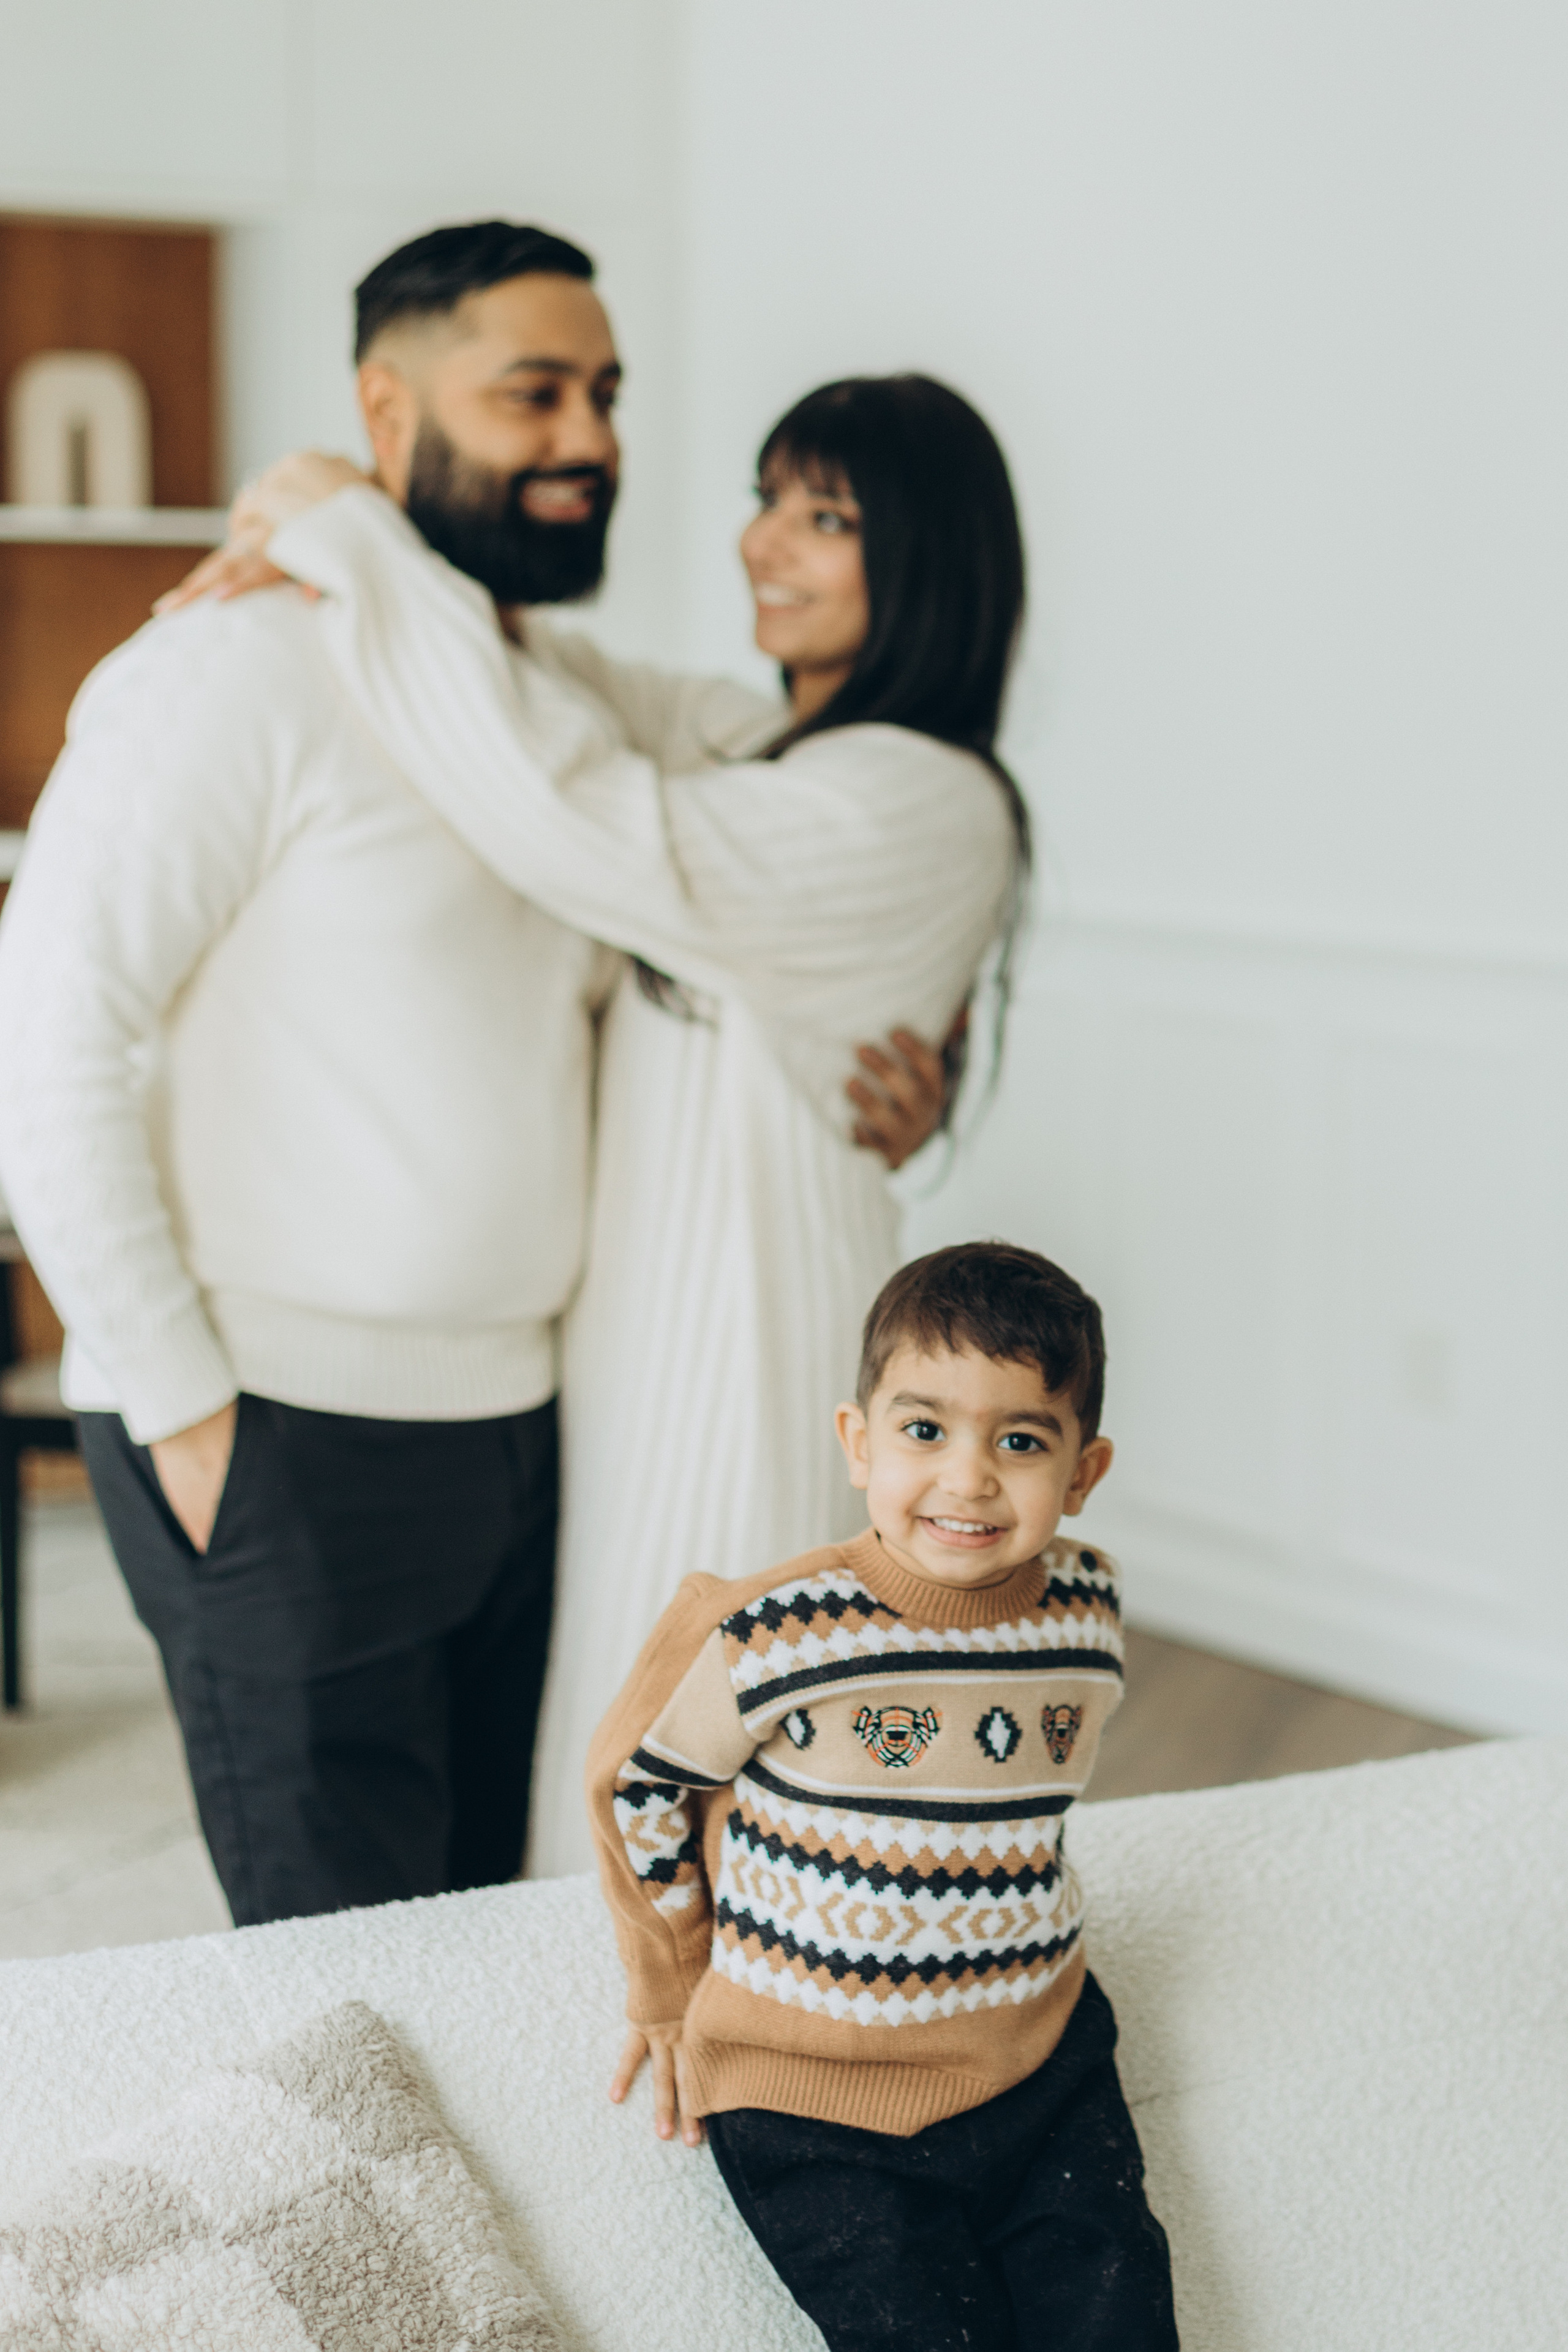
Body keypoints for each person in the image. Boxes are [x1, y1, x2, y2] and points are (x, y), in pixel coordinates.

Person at [0, 221, 938, 1928]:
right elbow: (46, 1036)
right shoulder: (229, 672)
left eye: (606, 394)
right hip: (282, 1431)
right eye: (533, 394)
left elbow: (834, 791)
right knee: (333, 1963)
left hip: (523, 1436)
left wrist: (903, 1036)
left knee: (492, 1926)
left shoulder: (555, 693)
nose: (590, 440)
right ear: (388, 408)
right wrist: (181, 1408)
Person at [175, 356, 1030, 1874]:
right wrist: (333, 522)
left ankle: (750, 2079)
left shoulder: (924, 800)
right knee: (615, 1748)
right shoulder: (748, 740)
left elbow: (574, 810)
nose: (762, 543)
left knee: (717, 1766)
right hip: (629, 1334)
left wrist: (347, 532)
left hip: (754, 1334)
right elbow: (536, 680)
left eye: (821, 514)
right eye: (764, 501)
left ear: (928, 556)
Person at [589, 1241, 1180, 2352]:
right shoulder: (779, 1630)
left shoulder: (1088, 1608)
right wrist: (666, 1987)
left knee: (1122, 2321)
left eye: (1020, 1440)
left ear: (1084, 1472)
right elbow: (640, 1778)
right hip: (812, 2096)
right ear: (859, 1444)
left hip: (1040, 2063)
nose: (968, 1478)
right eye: (924, 1431)